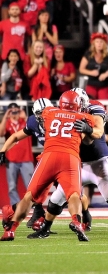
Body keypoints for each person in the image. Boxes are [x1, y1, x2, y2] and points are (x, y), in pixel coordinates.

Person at [30, 88, 108, 239]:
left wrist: (88, 128)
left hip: (98, 161)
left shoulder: (95, 109)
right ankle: (46, 228)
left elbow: (99, 132)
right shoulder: (64, 111)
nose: (72, 108)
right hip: (76, 162)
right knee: (57, 198)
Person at [0, 90, 94, 242]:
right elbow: (91, 138)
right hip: (70, 158)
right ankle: (77, 220)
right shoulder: (84, 117)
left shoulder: (49, 113)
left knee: (30, 196)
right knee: (74, 195)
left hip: (49, 157)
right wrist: (89, 130)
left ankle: (11, 229)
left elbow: (42, 116)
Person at [0, 98, 54, 229]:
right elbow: (15, 136)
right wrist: (2, 151)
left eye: (46, 111)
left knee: (65, 194)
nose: (44, 115)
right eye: (41, 113)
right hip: (49, 159)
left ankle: (30, 214)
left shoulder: (60, 121)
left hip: (60, 157)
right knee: (35, 191)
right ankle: (20, 214)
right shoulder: (33, 122)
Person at [0, 103, 34, 206]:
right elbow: (1, 133)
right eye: (11, 109)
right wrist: (6, 116)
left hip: (26, 159)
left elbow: (35, 127)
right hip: (11, 159)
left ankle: (32, 206)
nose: (14, 111)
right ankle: (15, 206)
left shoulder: (25, 122)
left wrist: (26, 117)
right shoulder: (8, 123)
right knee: (12, 186)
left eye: (16, 109)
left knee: (31, 186)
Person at [79, 32, 108, 100]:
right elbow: (81, 69)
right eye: (97, 42)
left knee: (103, 106)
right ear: (93, 43)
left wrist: (106, 74)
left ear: (104, 44)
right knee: (90, 105)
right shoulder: (88, 54)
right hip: (91, 84)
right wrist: (91, 72)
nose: (99, 44)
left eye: (101, 42)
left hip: (104, 85)